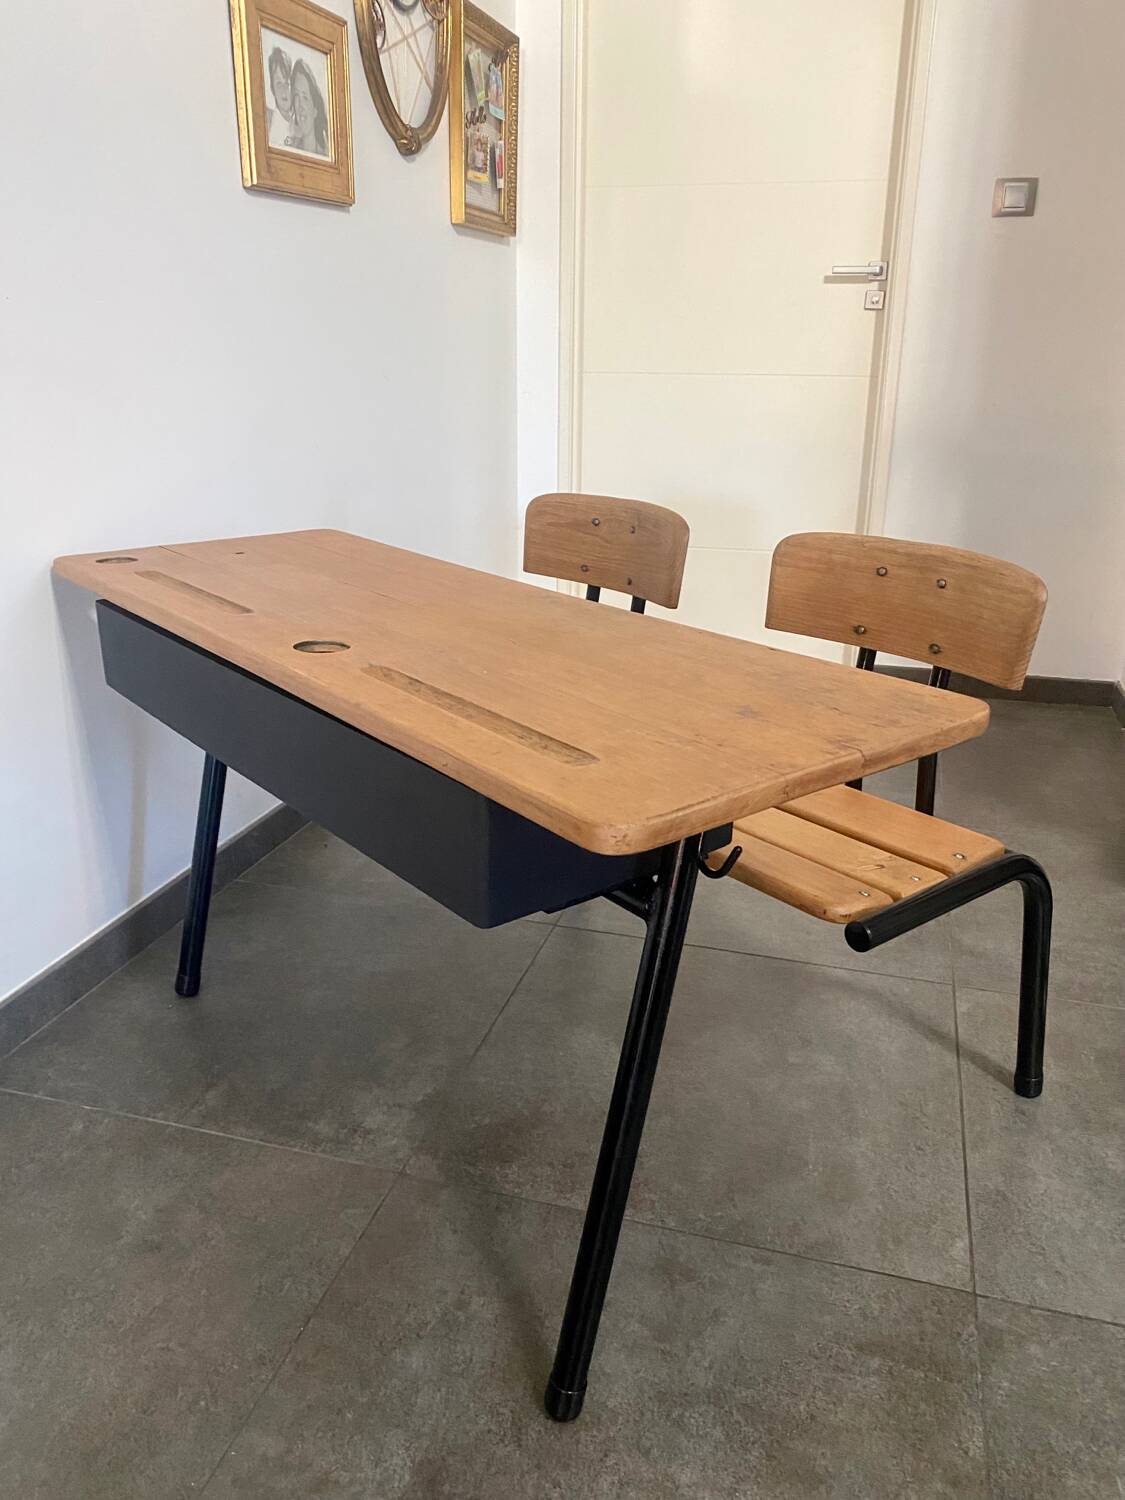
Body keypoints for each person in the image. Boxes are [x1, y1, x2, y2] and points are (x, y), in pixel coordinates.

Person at [286, 58, 330, 157]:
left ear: (315, 110)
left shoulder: (325, 156)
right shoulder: (289, 149)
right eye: (297, 95)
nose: (300, 105)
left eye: (305, 97)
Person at [265, 46, 294, 148]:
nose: (283, 90)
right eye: (278, 83)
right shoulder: (269, 120)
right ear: (272, 88)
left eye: (287, 83)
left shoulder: (300, 124)